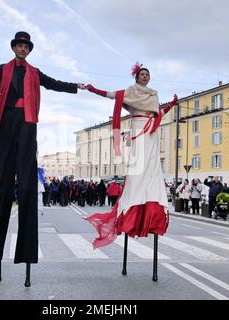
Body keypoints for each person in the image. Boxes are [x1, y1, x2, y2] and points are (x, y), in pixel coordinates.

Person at [0, 31, 85, 287]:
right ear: (14, 47)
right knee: (3, 187)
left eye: (25, 47)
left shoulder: (35, 72)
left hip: (27, 125)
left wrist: (76, 86)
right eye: (19, 45)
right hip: (6, 123)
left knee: (27, 186)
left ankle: (26, 253)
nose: (22, 49)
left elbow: (53, 83)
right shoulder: (1, 68)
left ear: (28, 50)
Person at [84, 63, 178, 281]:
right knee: (137, 168)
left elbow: (159, 113)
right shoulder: (129, 92)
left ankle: (150, 207)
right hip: (138, 128)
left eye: (148, 74)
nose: (145, 77)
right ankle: (132, 209)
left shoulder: (153, 94)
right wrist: (92, 89)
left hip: (151, 132)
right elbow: (110, 95)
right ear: (137, 77)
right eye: (142, 74)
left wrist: (172, 104)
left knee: (152, 168)